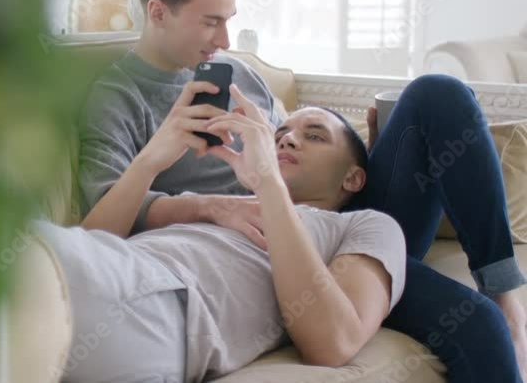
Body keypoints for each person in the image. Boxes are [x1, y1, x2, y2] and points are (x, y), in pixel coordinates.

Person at [77, 0, 527, 381]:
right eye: (211, 22)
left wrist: (365, 160)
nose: (226, 38)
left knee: (440, 94)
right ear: (158, 12)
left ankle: (504, 290)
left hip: (343, 216)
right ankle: (495, 317)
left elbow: (294, 142)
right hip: (290, 254)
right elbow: (102, 224)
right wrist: (208, 204)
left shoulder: (237, 73)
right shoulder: (117, 99)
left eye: (229, 19)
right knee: (478, 327)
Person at [43, 86, 405, 381]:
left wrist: (268, 183)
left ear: (352, 178)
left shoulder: (365, 225)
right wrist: (150, 161)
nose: (287, 141)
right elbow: (91, 244)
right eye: (279, 136)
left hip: (166, 310)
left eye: (314, 136)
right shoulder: (222, 205)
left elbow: (335, 342)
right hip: (117, 277)